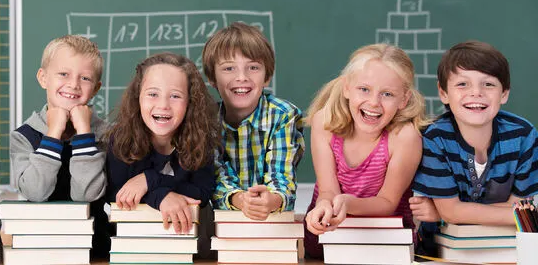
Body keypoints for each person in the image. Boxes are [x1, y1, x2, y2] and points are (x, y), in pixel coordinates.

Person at [411, 41, 538, 256]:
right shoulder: (434, 138)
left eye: (488, 84)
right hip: (439, 251)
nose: (476, 93)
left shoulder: (523, 135)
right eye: (462, 84)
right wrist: (450, 213)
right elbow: (520, 214)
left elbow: (520, 207)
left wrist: (446, 213)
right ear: (443, 94)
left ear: (504, 94)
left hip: (507, 250)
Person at [303, 44, 428, 258]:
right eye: (364, 89)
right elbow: (328, 190)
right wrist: (324, 205)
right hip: (327, 241)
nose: (373, 102)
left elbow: (387, 203)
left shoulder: (405, 137)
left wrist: (347, 203)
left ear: (403, 100)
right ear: (347, 88)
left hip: (384, 246)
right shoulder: (324, 122)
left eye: (387, 94)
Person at [10, 35, 109, 258]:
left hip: (95, 249)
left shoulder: (106, 136)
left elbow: (86, 194)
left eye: (85, 78)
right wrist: (53, 133)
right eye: (63, 74)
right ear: (43, 78)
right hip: (38, 247)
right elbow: (36, 192)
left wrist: (84, 132)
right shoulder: (23, 137)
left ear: (95, 88)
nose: (73, 84)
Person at [106, 52, 220, 235]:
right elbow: (118, 193)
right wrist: (161, 196)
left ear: (190, 103)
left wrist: (149, 180)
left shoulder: (200, 139)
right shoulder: (121, 140)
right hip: (130, 243)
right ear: (138, 97)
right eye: (153, 94)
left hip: (185, 243)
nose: (163, 105)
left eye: (175, 96)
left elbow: (202, 193)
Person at [202, 22, 305, 220]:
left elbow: (281, 176)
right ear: (212, 78)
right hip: (224, 224)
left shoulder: (283, 116)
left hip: (274, 220)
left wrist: (270, 200)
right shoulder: (205, 121)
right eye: (229, 68)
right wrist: (240, 200)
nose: (242, 77)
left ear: (266, 76)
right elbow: (216, 175)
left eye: (253, 67)